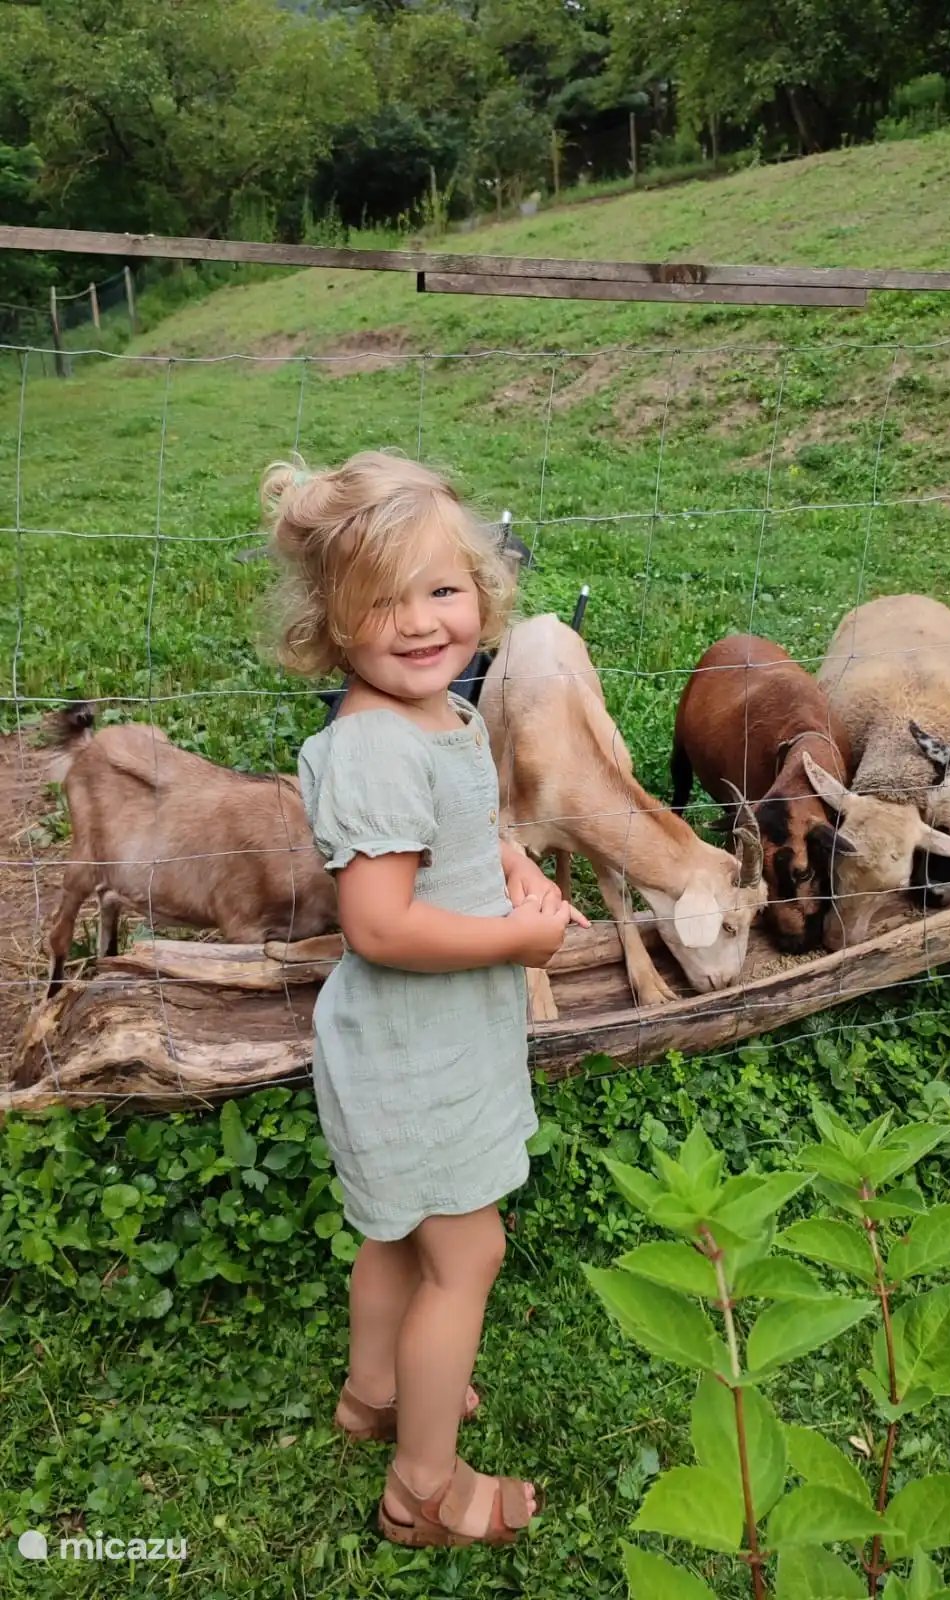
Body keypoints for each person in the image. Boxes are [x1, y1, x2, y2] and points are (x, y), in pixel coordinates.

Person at [263, 449, 587, 1547]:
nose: (418, 622)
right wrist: (521, 936)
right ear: (332, 621)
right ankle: (425, 1489)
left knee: (398, 1236)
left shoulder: (438, 718)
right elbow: (381, 925)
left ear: (482, 595)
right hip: (414, 1048)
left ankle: (379, 1393)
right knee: (468, 1253)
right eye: (381, 601)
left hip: (436, 1036)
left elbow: (459, 835)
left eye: (441, 590)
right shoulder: (370, 748)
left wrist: (515, 870)